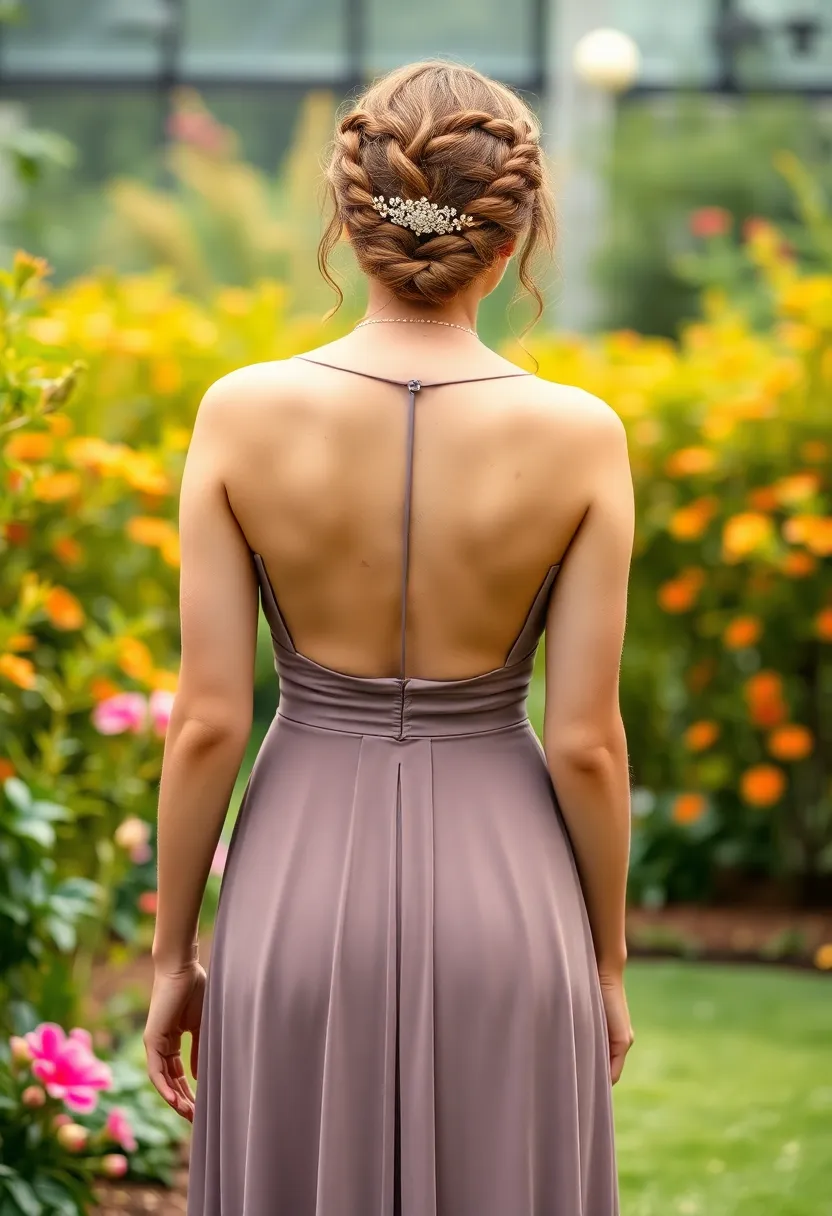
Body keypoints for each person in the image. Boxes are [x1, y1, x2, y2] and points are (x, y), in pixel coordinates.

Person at [144, 58, 635, 1216]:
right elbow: (586, 745)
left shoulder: (239, 413)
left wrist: (173, 958)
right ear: (510, 244)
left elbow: (211, 717)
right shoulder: (579, 437)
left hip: (296, 895)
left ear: (345, 223)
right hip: (508, 900)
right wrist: (606, 961)